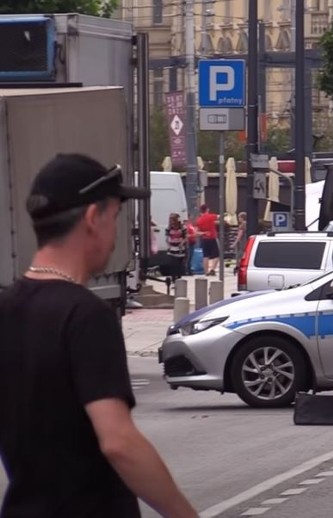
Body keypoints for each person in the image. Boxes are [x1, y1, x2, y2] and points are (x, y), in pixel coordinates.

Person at [0, 153, 197, 517]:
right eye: (115, 216)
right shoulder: (86, 315)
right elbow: (118, 441)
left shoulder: (8, 308)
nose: (114, 234)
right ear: (94, 218)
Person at [196, 204, 220, 276]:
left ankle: (206, 272)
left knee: (205, 256)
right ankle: (212, 269)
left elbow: (196, 232)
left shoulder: (199, 220)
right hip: (212, 238)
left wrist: (204, 233)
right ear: (207, 209)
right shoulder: (211, 216)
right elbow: (220, 217)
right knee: (216, 255)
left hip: (204, 239)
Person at [164, 212, 188, 278]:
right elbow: (167, 237)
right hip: (172, 248)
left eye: (172, 220)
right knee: (173, 264)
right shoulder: (169, 228)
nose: (171, 222)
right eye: (170, 220)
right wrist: (168, 244)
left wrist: (182, 243)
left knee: (179, 264)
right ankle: (173, 278)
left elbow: (186, 237)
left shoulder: (182, 227)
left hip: (180, 248)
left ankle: (179, 277)